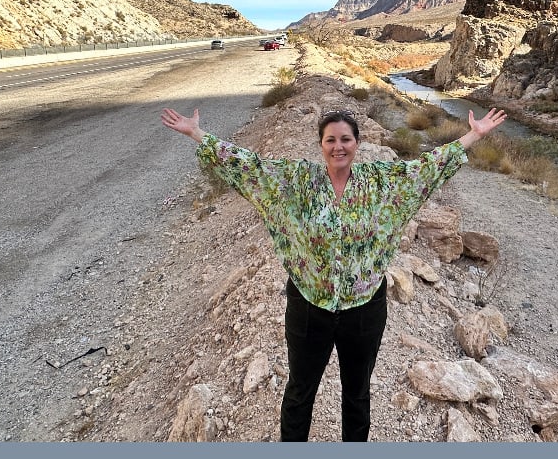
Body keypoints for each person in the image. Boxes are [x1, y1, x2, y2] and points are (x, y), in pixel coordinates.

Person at [161, 104, 506, 441]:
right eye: (331, 140)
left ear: (357, 143)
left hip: (364, 311)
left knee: (357, 393)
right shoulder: (298, 180)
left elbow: (427, 169)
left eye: (345, 139)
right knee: (300, 390)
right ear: (321, 144)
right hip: (309, 308)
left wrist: (473, 136)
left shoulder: (380, 182)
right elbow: (251, 167)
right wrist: (197, 134)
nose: (338, 146)